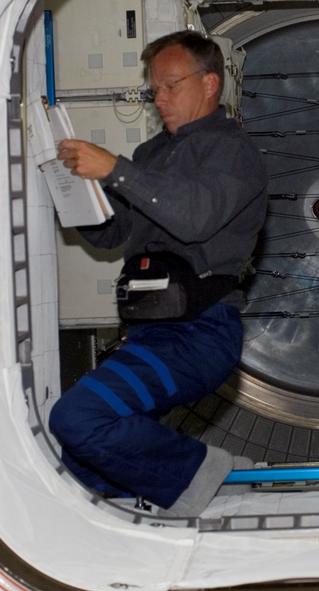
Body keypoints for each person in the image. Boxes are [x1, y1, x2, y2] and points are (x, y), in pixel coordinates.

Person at [48, 30, 268, 517]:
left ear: (210, 83)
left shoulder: (233, 152)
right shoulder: (152, 155)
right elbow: (112, 235)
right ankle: (130, 538)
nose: (159, 99)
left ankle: (203, 472)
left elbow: (194, 218)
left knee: (78, 417)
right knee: (83, 460)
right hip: (149, 332)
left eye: (171, 86)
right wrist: (72, 195)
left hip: (199, 333)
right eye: (155, 90)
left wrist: (114, 170)